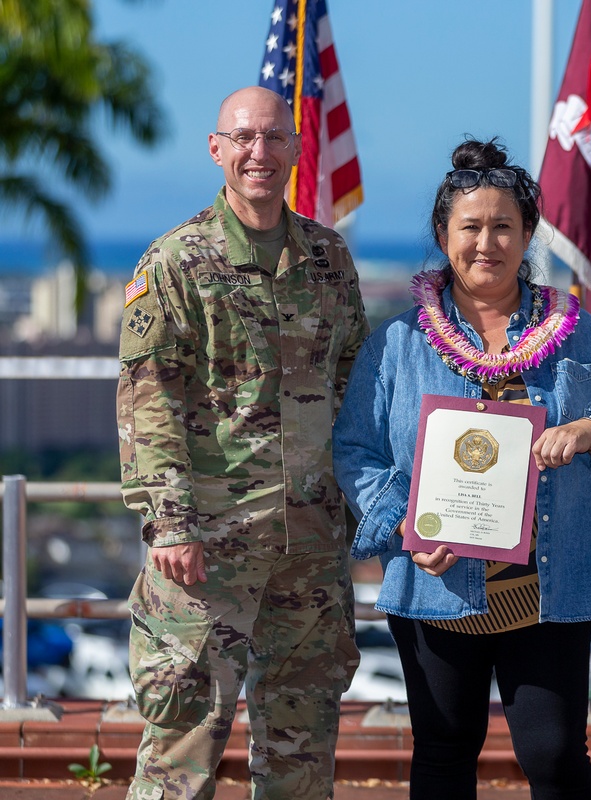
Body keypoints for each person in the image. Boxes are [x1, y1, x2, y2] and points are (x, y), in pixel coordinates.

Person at [332, 138, 591, 800]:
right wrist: (408, 529)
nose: (488, 243)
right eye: (471, 227)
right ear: (441, 234)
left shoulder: (580, 336)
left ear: (529, 234)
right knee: (444, 752)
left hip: (549, 585)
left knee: (556, 755)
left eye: (504, 227)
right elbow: (354, 449)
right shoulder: (396, 343)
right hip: (439, 586)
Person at [116, 86, 368, 800]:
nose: (260, 153)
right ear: (216, 148)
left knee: (301, 748)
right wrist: (170, 521)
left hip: (312, 544)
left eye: (274, 138)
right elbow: (149, 400)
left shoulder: (327, 258)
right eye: (244, 138)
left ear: (294, 148)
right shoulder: (175, 262)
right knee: (181, 748)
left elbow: (354, 382)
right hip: (208, 549)